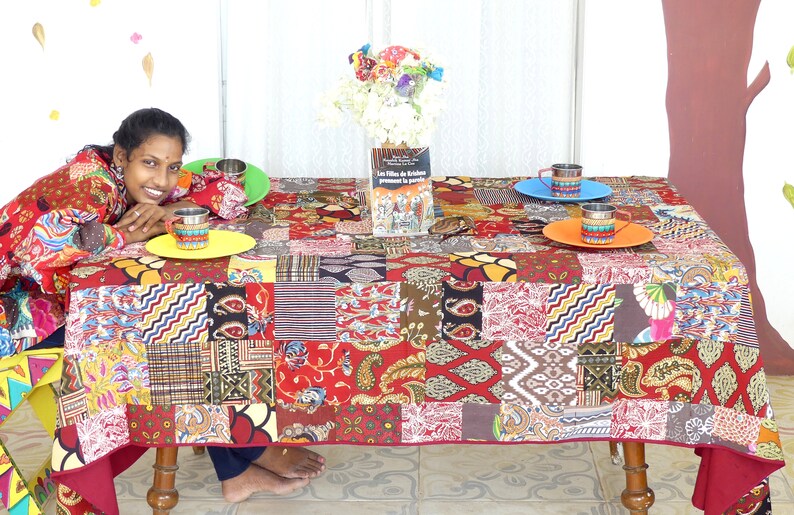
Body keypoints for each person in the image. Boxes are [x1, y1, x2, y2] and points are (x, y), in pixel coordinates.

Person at [0, 107, 325, 503]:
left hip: (59, 302)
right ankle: (244, 456)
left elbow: (230, 190)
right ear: (121, 156)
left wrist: (168, 211)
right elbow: (43, 247)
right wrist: (138, 230)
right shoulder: (91, 185)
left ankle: (238, 463)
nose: (162, 179)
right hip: (19, 318)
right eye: (151, 164)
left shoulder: (140, 180)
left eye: (173, 167)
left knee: (194, 318)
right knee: (180, 328)